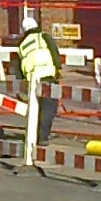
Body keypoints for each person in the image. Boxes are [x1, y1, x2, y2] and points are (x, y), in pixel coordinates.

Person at [16, 15, 61, 143]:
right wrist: (58, 69)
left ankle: (33, 135)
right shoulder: (43, 37)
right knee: (49, 109)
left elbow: (19, 65)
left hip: (31, 80)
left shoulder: (22, 45)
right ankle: (41, 138)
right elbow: (54, 53)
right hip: (47, 76)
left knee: (36, 109)